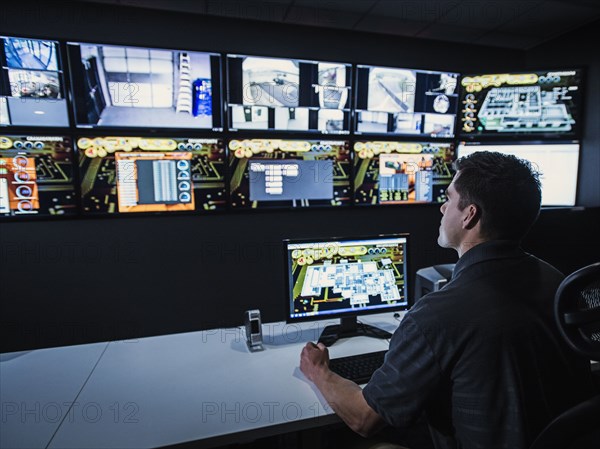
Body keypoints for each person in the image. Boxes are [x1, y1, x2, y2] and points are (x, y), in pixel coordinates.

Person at [300, 151, 595, 449]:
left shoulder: (435, 315)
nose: (442, 208)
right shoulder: (557, 281)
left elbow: (364, 418)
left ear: (469, 215)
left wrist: (319, 371)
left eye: (449, 198)